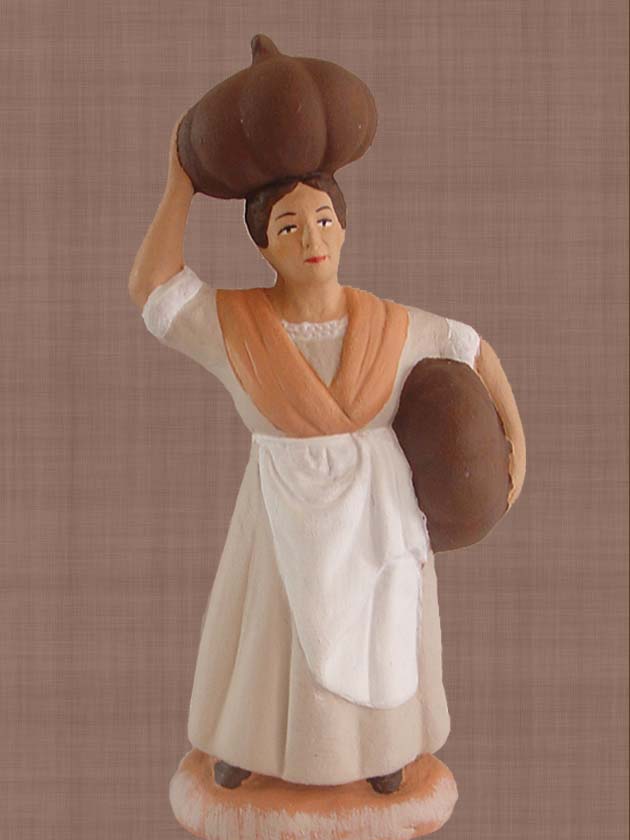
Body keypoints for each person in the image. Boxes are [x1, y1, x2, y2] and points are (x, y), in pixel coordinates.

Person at [128, 115, 524, 795]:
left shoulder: (391, 324)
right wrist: (179, 187)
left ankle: (383, 745)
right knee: (272, 627)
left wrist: (516, 443)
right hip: (282, 502)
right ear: (263, 245)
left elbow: (471, 347)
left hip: (376, 511)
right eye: (288, 227)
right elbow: (155, 290)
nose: (311, 239)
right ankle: (251, 742)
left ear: (343, 228)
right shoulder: (237, 324)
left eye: (322, 221)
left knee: (380, 620)